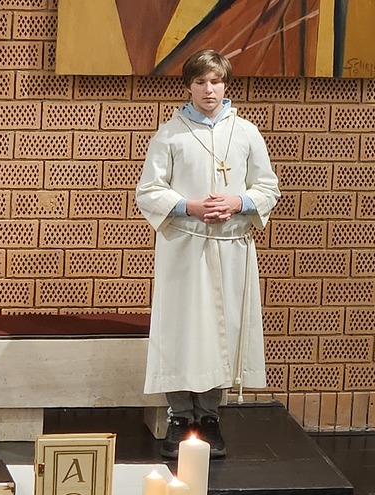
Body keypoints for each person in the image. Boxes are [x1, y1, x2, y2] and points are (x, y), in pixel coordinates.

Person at [136, 48, 280, 459]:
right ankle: (180, 416)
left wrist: (238, 202)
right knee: (183, 331)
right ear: (189, 86)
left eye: (215, 81)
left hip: (231, 247)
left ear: (225, 84)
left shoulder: (246, 133)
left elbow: (267, 187)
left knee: (221, 330)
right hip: (186, 247)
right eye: (200, 82)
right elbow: (149, 191)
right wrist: (190, 206)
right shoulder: (171, 134)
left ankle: (210, 417)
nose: (208, 89)